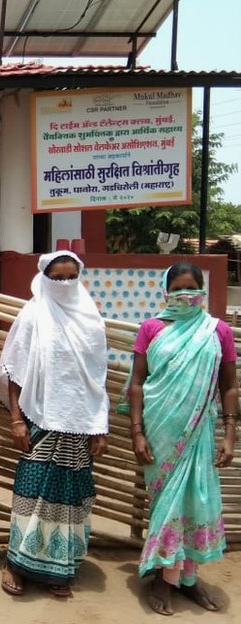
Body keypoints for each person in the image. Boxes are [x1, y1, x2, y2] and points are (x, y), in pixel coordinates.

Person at [0, 250, 110, 598]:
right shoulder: (33, 315)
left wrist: (99, 426)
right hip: (39, 420)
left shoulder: (91, 319)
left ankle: (59, 567)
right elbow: (14, 372)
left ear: (79, 276)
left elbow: (96, 377)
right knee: (31, 493)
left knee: (72, 496)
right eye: (56, 277)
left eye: (69, 276)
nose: (63, 283)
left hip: (79, 425)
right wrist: (16, 419)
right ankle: (16, 563)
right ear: (44, 277)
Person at [127, 262, 238, 616]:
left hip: (200, 434)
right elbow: (137, 383)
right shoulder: (151, 328)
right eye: (177, 289)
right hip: (161, 433)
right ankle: (163, 578)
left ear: (203, 291)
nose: (185, 295)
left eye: (192, 288)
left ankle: (186, 579)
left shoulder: (216, 331)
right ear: (165, 292)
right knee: (166, 505)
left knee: (194, 503)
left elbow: (230, 385)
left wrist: (230, 434)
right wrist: (137, 431)